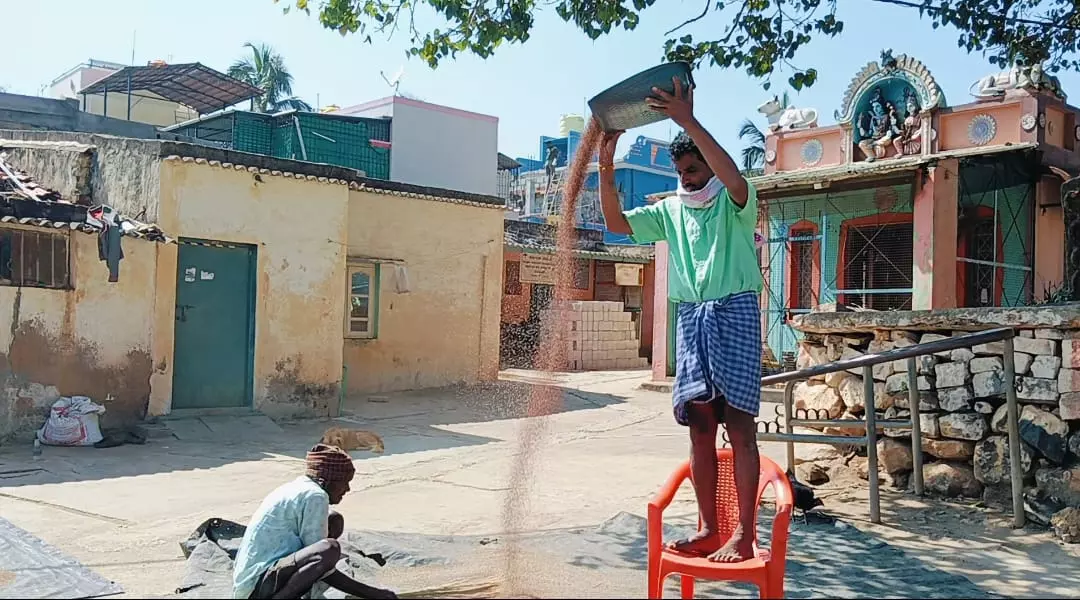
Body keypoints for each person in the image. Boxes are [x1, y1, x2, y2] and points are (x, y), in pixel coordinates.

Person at [597, 77, 763, 563]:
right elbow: (615, 224)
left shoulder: (735, 201)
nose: (688, 178)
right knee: (699, 428)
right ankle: (710, 528)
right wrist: (606, 164)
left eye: (695, 169)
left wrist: (685, 118)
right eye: (682, 171)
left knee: (740, 424)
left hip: (733, 311)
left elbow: (731, 176)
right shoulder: (670, 210)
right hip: (692, 317)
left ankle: (745, 533)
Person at [232, 444, 398, 599]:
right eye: (344, 482)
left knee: (333, 520)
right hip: (256, 586)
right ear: (327, 481)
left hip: (261, 579)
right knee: (329, 548)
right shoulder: (315, 496)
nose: (347, 489)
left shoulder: (299, 487)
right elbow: (323, 563)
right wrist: (373, 593)